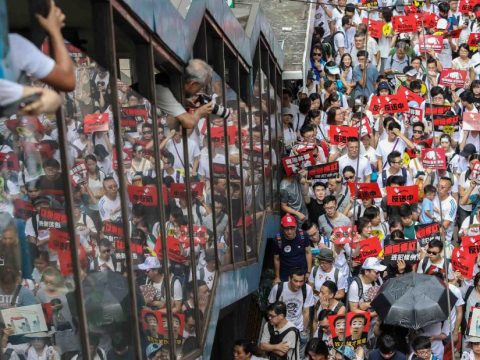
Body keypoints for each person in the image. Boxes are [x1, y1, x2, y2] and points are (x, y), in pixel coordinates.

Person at [155, 59, 214, 129]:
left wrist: (183, 101)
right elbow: (189, 123)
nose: (199, 91)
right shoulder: (161, 89)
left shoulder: (171, 82)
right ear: (192, 84)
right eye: (201, 87)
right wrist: (199, 112)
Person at [268, 269, 315, 356]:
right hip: (280, 328)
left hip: (298, 328)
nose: (298, 284)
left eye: (301, 281)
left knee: (297, 355)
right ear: (289, 279)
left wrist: (304, 331)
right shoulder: (278, 289)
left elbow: (306, 312)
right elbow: (271, 310)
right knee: (280, 354)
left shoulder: (307, 289)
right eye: (296, 281)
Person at [273, 215, 312, 283]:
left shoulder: (303, 235)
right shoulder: (278, 239)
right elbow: (276, 259)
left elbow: (308, 252)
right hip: (286, 274)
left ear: (296, 226)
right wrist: (277, 277)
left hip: (302, 272)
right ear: (282, 228)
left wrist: (308, 272)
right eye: (286, 228)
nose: (289, 231)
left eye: (292, 228)